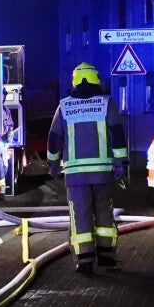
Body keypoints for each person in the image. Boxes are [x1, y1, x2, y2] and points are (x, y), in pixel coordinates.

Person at [46, 61, 128, 274]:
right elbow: (117, 135)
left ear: (74, 81)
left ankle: (84, 261)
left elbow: (54, 138)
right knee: (104, 213)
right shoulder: (106, 103)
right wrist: (122, 163)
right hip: (103, 172)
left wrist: (53, 164)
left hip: (75, 175)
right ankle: (107, 258)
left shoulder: (64, 106)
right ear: (96, 79)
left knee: (79, 214)